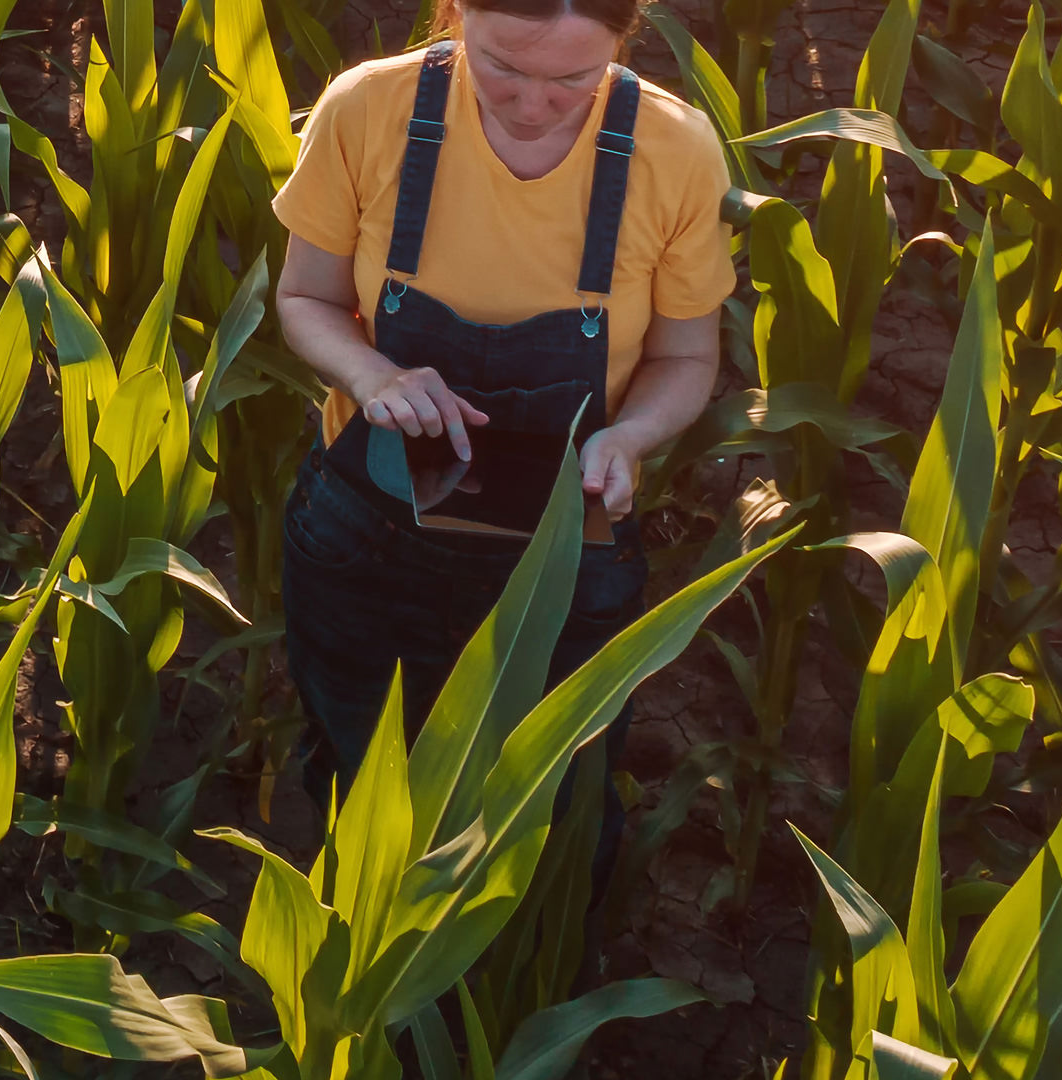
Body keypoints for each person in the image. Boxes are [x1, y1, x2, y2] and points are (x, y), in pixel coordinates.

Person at [270, 0, 735, 874]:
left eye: (571, 79)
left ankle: (520, 997)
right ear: (456, 17)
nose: (531, 105)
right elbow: (307, 298)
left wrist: (630, 436)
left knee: (551, 812)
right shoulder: (369, 109)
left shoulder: (673, 151)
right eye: (501, 67)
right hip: (365, 532)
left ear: (622, 41)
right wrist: (374, 378)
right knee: (366, 788)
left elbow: (685, 353)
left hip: (566, 551)